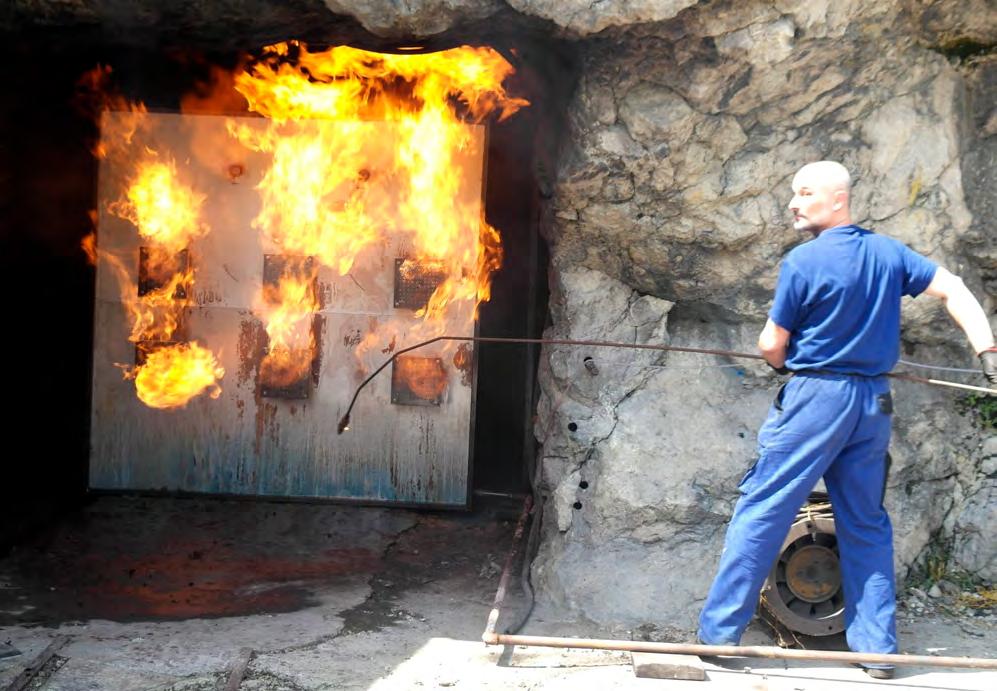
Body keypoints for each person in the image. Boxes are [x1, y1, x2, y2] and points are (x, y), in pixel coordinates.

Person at [697, 160, 997, 679]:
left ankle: (719, 636)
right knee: (865, 523)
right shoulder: (889, 254)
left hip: (817, 399)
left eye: (804, 192)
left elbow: (772, 344)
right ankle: (877, 653)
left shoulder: (804, 262)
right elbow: (954, 289)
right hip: (872, 405)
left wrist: (777, 360)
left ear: (837, 199)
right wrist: (989, 354)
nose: (794, 202)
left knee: (764, 508)